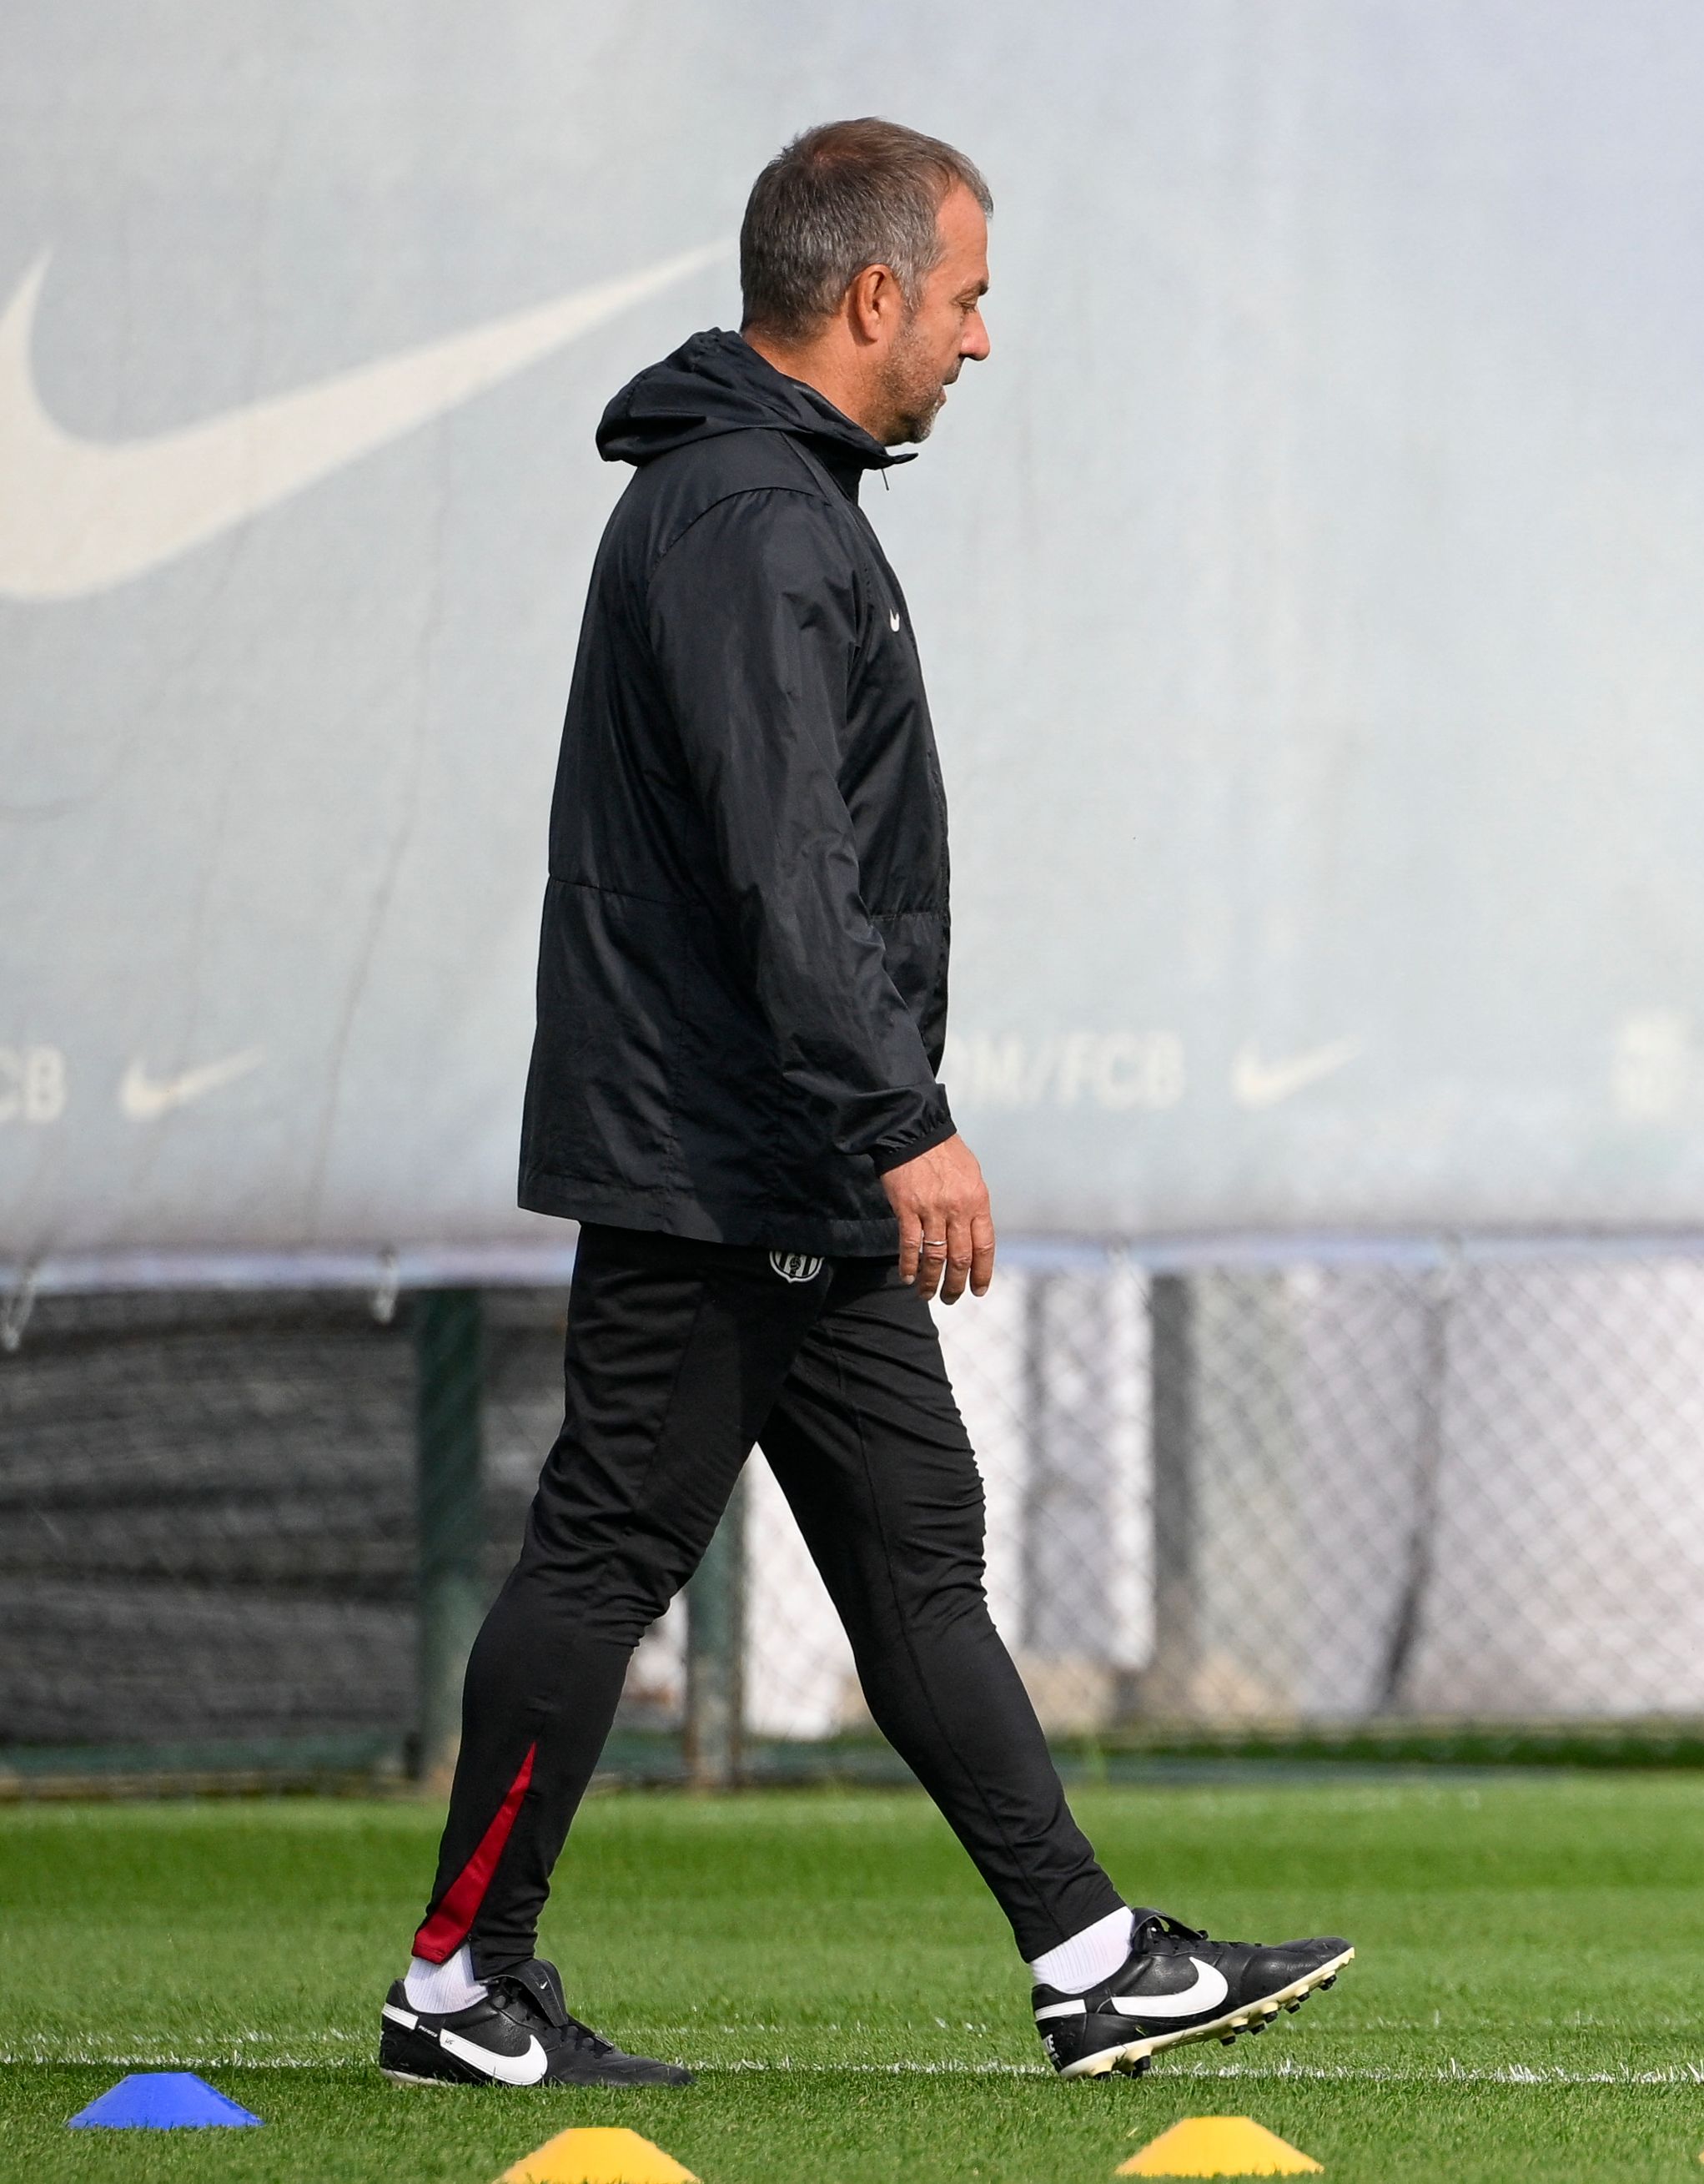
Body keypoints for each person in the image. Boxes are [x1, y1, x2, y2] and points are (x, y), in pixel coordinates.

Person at [380, 118, 1350, 2090]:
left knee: (914, 1549)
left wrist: (860, 1122)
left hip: (780, 1154)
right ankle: (460, 1984)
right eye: (967, 300)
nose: (981, 342)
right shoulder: (750, 517)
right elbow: (784, 863)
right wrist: (900, 1116)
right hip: (726, 1157)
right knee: (605, 1554)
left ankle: (1087, 1954)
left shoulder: (770, 499)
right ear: (876, 292)